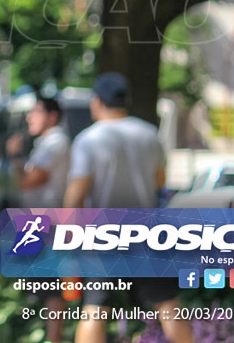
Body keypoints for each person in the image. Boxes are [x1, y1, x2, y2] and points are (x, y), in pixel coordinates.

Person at [62, 73, 193, 343]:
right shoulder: (149, 134)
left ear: (96, 102)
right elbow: (160, 182)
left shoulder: (88, 139)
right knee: (167, 303)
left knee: (95, 307)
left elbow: (77, 193)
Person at [13, 97, 70, 342]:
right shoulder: (46, 142)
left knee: (52, 288)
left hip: (50, 223)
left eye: (35, 112)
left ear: (52, 116)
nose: (29, 117)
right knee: (46, 288)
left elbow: (29, 180)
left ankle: (53, 338)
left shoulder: (55, 142)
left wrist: (14, 157)